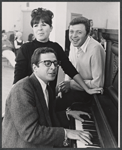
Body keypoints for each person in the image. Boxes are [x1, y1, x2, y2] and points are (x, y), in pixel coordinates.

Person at [2, 47, 93, 148]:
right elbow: (31, 133)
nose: (53, 67)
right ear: (35, 67)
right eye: (47, 63)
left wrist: (67, 114)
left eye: (55, 63)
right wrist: (66, 133)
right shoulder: (22, 90)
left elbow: (46, 118)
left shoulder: (47, 88)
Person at [13, 7, 102, 97]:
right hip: (30, 95)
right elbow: (18, 77)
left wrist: (87, 89)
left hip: (50, 96)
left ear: (51, 28)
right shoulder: (25, 48)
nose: (40, 28)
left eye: (44, 25)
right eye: (36, 25)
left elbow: (70, 69)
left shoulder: (56, 47)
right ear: (32, 29)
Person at [56, 17, 105, 111]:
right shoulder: (73, 43)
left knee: (57, 107)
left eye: (79, 32)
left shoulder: (96, 49)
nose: (74, 36)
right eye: (71, 31)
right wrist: (65, 87)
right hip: (76, 90)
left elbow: (98, 84)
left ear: (88, 33)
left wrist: (70, 84)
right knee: (53, 98)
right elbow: (69, 68)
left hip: (89, 95)